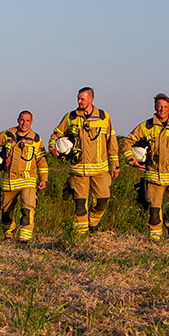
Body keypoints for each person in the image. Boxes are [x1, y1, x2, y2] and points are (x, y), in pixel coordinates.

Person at [122, 94, 169, 240]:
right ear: (155, 107)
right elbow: (126, 142)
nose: (162, 109)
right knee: (154, 212)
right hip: (154, 176)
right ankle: (154, 241)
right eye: (159, 106)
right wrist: (131, 160)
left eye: (165, 107)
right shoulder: (146, 126)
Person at [50, 87, 119, 235]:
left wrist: (115, 165)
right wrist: (52, 149)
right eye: (78, 98)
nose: (79, 101)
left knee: (102, 202)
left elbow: (112, 143)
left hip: (100, 171)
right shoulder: (70, 117)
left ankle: (92, 224)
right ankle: (80, 237)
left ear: (91, 99)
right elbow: (55, 135)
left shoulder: (104, 117)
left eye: (82, 99)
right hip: (78, 171)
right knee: (80, 206)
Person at [0, 111, 48, 243]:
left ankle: (24, 240)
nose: (24, 123)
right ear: (18, 120)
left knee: (27, 209)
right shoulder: (7, 134)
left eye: (27, 121)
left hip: (27, 180)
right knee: (6, 214)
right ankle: (8, 235)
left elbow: (41, 160)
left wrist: (43, 179)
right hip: (8, 181)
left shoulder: (36, 139)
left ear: (31, 122)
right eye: (22, 120)